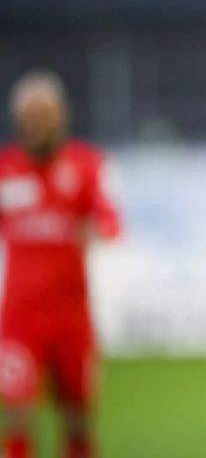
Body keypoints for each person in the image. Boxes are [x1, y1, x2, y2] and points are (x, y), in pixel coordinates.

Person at [0, 71, 122, 458]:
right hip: (19, 321)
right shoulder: (5, 171)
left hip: (72, 320)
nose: (37, 125)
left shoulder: (86, 166)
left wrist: (96, 228)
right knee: (18, 418)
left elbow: (111, 222)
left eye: (45, 116)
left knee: (77, 422)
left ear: (61, 117)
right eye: (30, 117)